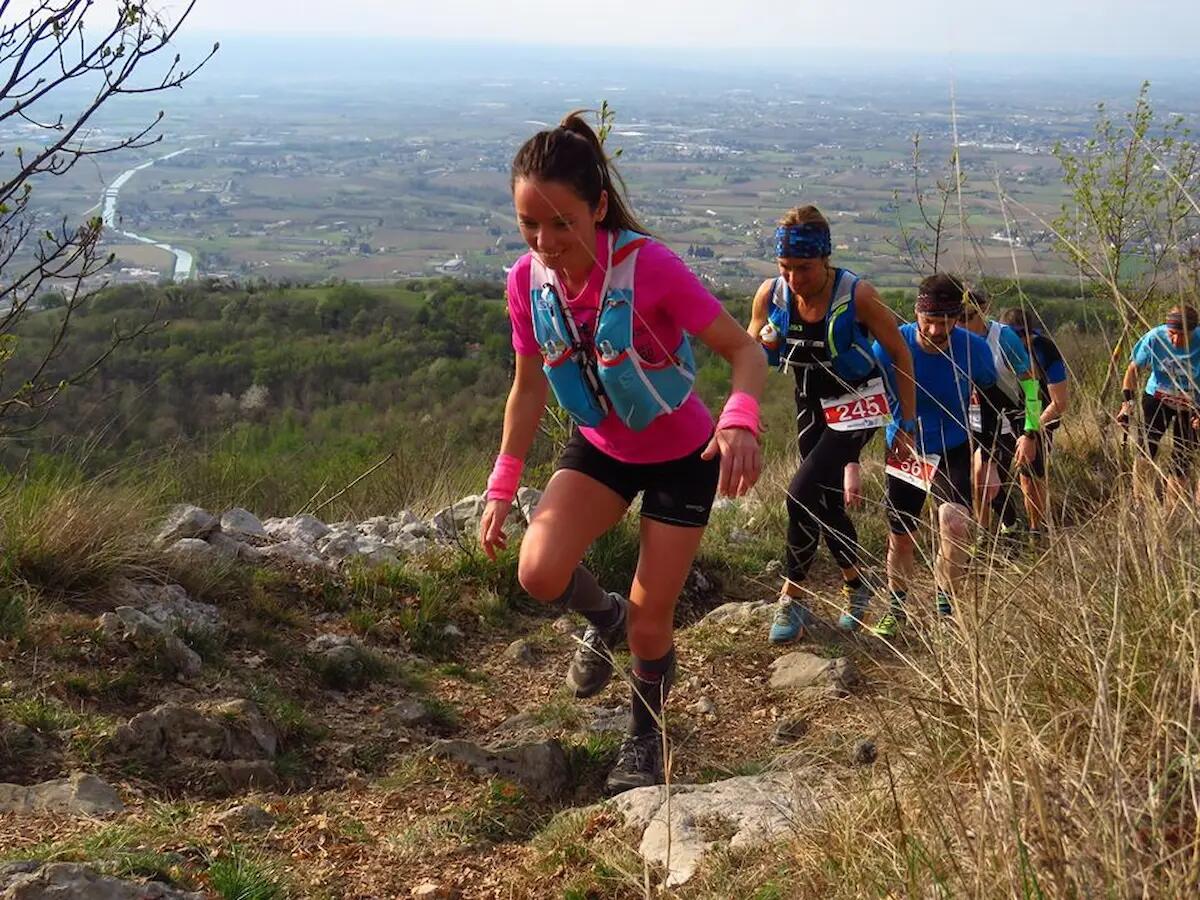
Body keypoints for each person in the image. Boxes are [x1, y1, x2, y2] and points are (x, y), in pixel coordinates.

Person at [479, 112, 767, 793]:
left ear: (599, 207)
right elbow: (527, 389)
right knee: (540, 573)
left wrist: (741, 421)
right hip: (604, 447)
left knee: (651, 619)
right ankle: (600, 618)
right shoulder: (527, 281)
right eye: (529, 225)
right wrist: (502, 483)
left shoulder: (651, 267)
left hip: (682, 457)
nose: (545, 242)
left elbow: (744, 350)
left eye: (561, 222)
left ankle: (645, 735)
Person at [746, 206, 916, 641]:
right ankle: (857, 585)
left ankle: (793, 597)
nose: (793, 279)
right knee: (822, 499)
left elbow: (900, 353)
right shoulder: (772, 295)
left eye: (803, 268)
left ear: (825, 258)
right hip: (809, 398)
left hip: (859, 401)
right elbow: (751, 354)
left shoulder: (858, 295)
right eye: (785, 267)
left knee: (799, 492)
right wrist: (745, 402)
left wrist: (907, 423)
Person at [870, 273, 1009, 638]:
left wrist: (990, 460)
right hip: (907, 447)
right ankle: (896, 606)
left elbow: (991, 402)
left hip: (954, 446)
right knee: (902, 537)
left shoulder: (973, 349)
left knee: (956, 525)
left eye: (945, 322)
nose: (935, 331)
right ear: (916, 313)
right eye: (928, 321)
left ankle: (946, 602)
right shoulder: (890, 344)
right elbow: (868, 395)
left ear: (958, 317)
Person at [957, 288, 1042, 535]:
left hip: (1006, 419)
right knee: (978, 482)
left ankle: (1022, 528)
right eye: (957, 318)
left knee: (985, 475)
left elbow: (1030, 384)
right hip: (969, 421)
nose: (962, 324)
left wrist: (1030, 431)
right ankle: (1002, 528)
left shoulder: (1003, 338)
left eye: (968, 317)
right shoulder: (953, 339)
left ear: (983, 310)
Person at [1117, 305, 1200, 506]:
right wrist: (1127, 404)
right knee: (1146, 449)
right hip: (1158, 398)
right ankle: (1139, 503)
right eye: (1172, 334)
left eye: (1183, 335)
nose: (1176, 340)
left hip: (1192, 404)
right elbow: (1133, 370)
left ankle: (1171, 512)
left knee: (1182, 458)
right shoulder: (1155, 337)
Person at [999, 306, 1071, 535]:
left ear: (1031, 333)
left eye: (1022, 338)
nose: (1018, 344)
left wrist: (1031, 430)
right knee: (989, 474)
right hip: (1003, 413)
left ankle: (1035, 530)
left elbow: (1059, 403)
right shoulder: (994, 345)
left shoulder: (1045, 351)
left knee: (1029, 475)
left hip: (1040, 415)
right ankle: (1004, 525)